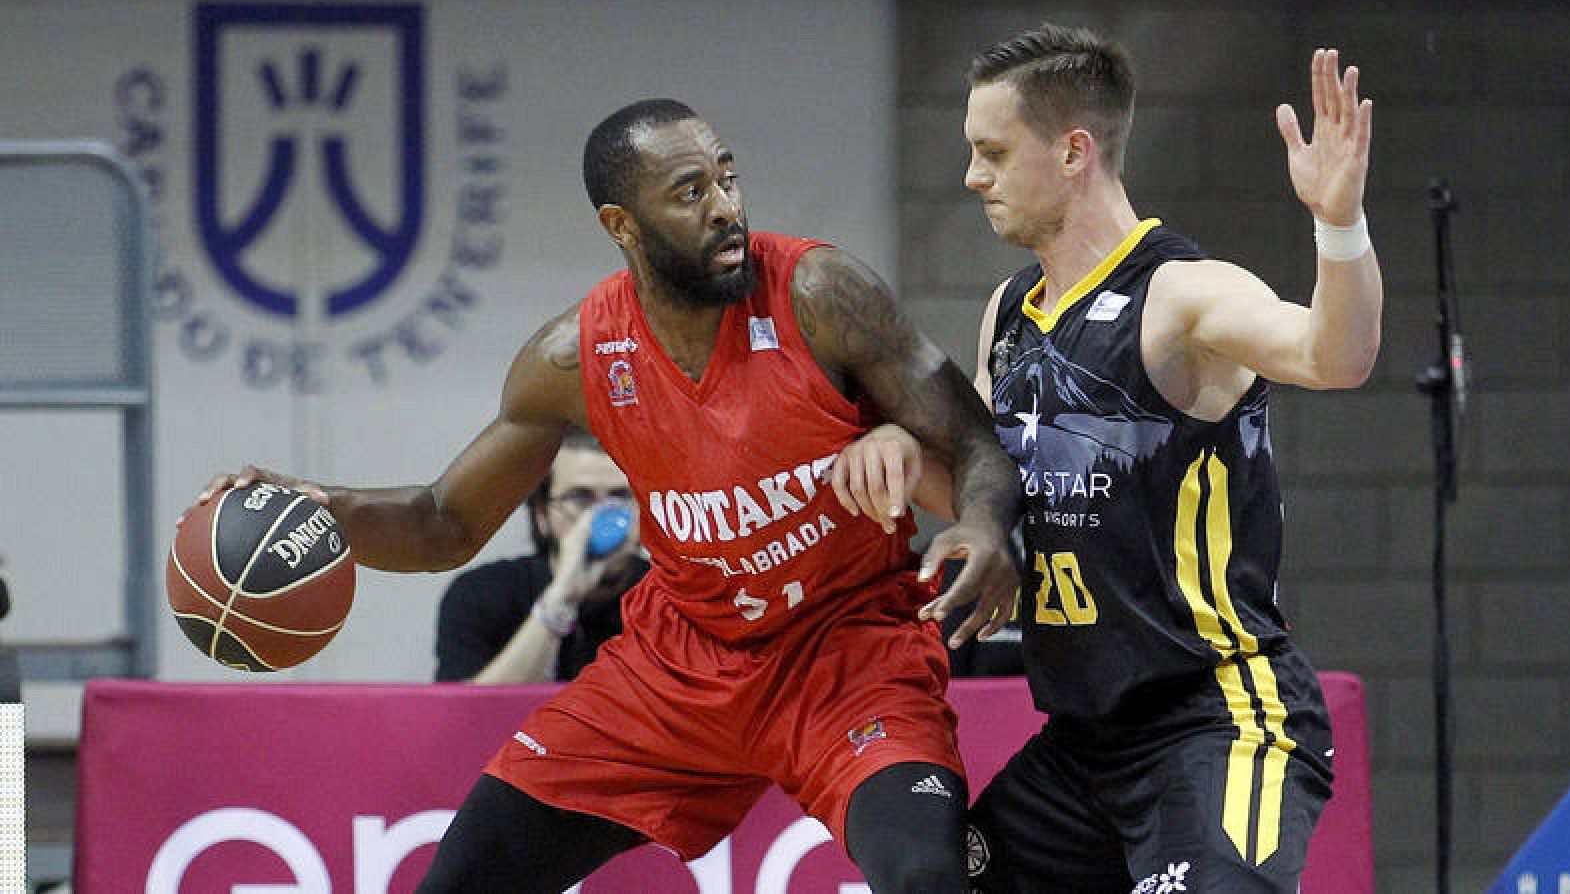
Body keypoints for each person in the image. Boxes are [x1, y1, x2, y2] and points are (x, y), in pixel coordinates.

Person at [195, 98, 1021, 893]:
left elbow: (975, 440)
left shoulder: (821, 292)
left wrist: (984, 526)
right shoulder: (572, 357)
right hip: (679, 669)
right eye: (689, 193)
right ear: (621, 225)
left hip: (848, 655)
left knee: (926, 876)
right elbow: (444, 523)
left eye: (727, 177)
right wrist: (325, 507)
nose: (725, 208)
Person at [832, 25, 1382, 893]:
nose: (972, 176)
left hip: (1216, 717)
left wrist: (1339, 224)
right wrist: (896, 450)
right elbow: (989, 478)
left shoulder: (1182, 296)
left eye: (992, 152)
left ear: (1073, 152)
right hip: (1084, 744)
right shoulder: (1010, 310)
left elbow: (1336, 356)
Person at [433, 430, 645, 684]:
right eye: (580, 498)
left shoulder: (672, 597)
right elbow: (469, 708)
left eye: (621, 497)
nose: (601, 518)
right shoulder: (482, 594)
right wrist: (561, 598)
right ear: (542, 515)